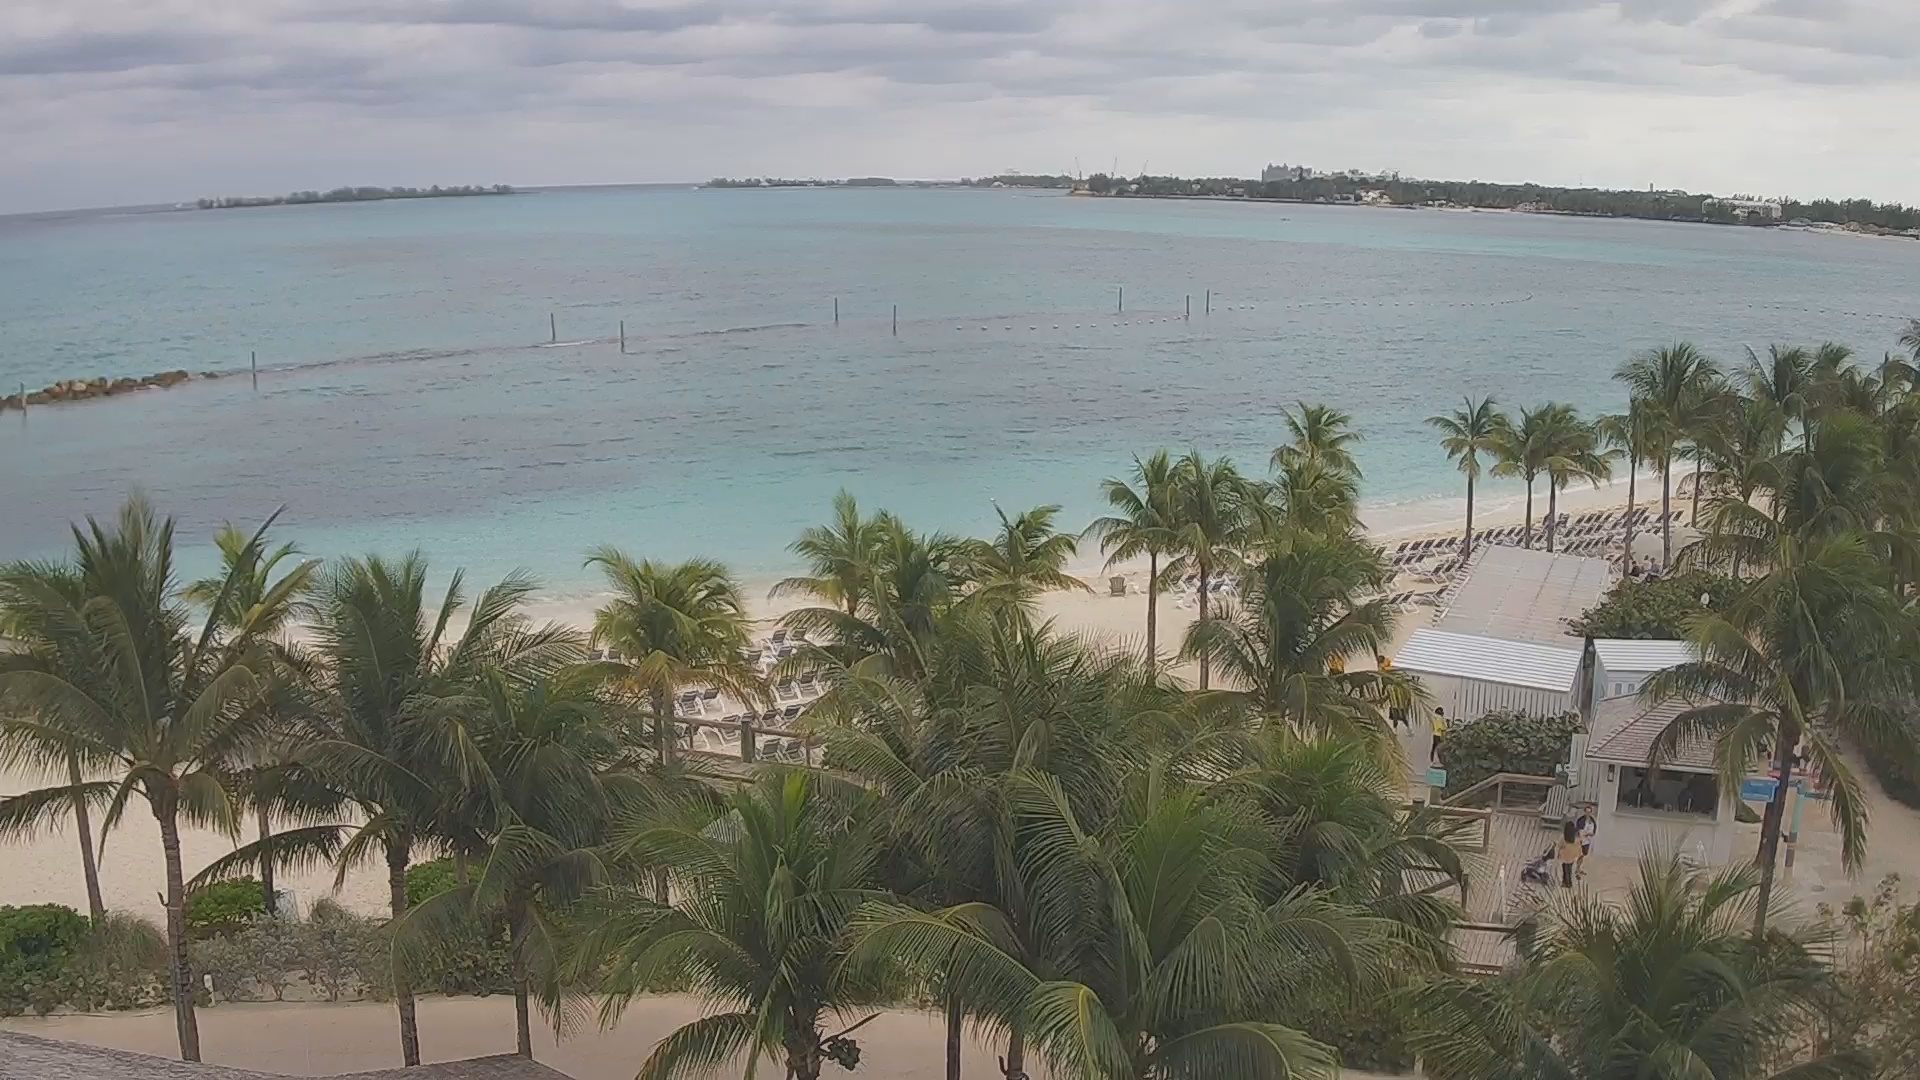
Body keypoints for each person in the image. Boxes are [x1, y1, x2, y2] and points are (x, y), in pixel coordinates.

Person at [1573, 804, 1597, 878]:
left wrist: (1591, 833)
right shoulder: (1581, 820)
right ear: (1584, 812)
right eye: (1586, 812)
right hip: (1581, 840)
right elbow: (1578, 830)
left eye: (1589, 812)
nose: (1588, 814)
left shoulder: (1592, 820)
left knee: (1583, 855)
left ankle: (1579, 868)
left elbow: (1594, 830)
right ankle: (1577, 869)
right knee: (1579, 855)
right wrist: (1584, 834)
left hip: (1588, 840)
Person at [1557, 818, 1581, 889]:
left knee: (1565, 869)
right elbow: (1578, 846)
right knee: (1569, 869)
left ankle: (1565, 882)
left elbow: (1559, 845)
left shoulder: (1564, 837)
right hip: (1572, 855)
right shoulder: (1575, 838)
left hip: (1564, 855)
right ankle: (1568, 883)